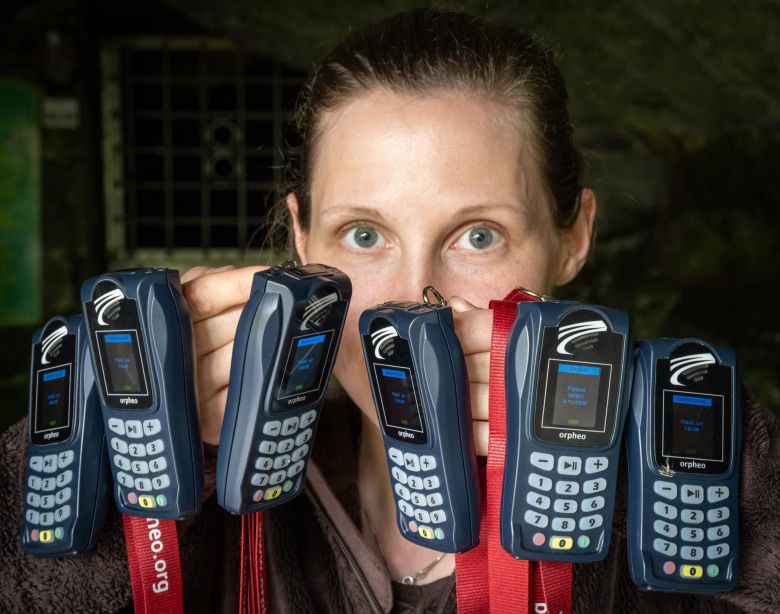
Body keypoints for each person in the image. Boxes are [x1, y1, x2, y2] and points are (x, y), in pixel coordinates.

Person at [1, 8, 779, 613]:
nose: (416, 298)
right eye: (364, 234)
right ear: (302, 241)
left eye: (479, 235)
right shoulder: (210, 489)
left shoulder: (675, 493)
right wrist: (114, 487)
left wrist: (729, 467)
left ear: (573, 238)